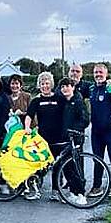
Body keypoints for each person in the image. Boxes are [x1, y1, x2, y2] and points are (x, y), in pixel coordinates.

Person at [25, 71, 65, 200]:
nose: (45, 86)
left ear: (51, 84)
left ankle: (56, 191)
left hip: (58, 137)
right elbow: (29, 116)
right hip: (43, 138)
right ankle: (35, 189)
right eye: (42, 84)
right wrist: (27, 128)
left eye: (47, 83)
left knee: (57, 165)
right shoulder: (36, 100)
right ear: (39, 85)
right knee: (40, 165)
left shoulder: (58, 98)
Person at [88, 63, 111, 197]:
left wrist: (110, 120)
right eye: (96, 72)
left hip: (110, 130)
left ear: (106, 73)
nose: (98, 75)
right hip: (96, 131)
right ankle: (96, 187)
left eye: (101, 72)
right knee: (97, 159)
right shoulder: (91, 88)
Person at [58, 77, 90, 205]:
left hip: (75, 138)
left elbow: (85, 119)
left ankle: (81, 194)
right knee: (66, 167)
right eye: (62, 87)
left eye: (68, 86)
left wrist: (74, 130)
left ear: (73, 87)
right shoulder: (62, 102)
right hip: (64, 139)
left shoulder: (78, 101)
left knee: (76, 167)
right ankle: (72, 192)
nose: (65, 88)